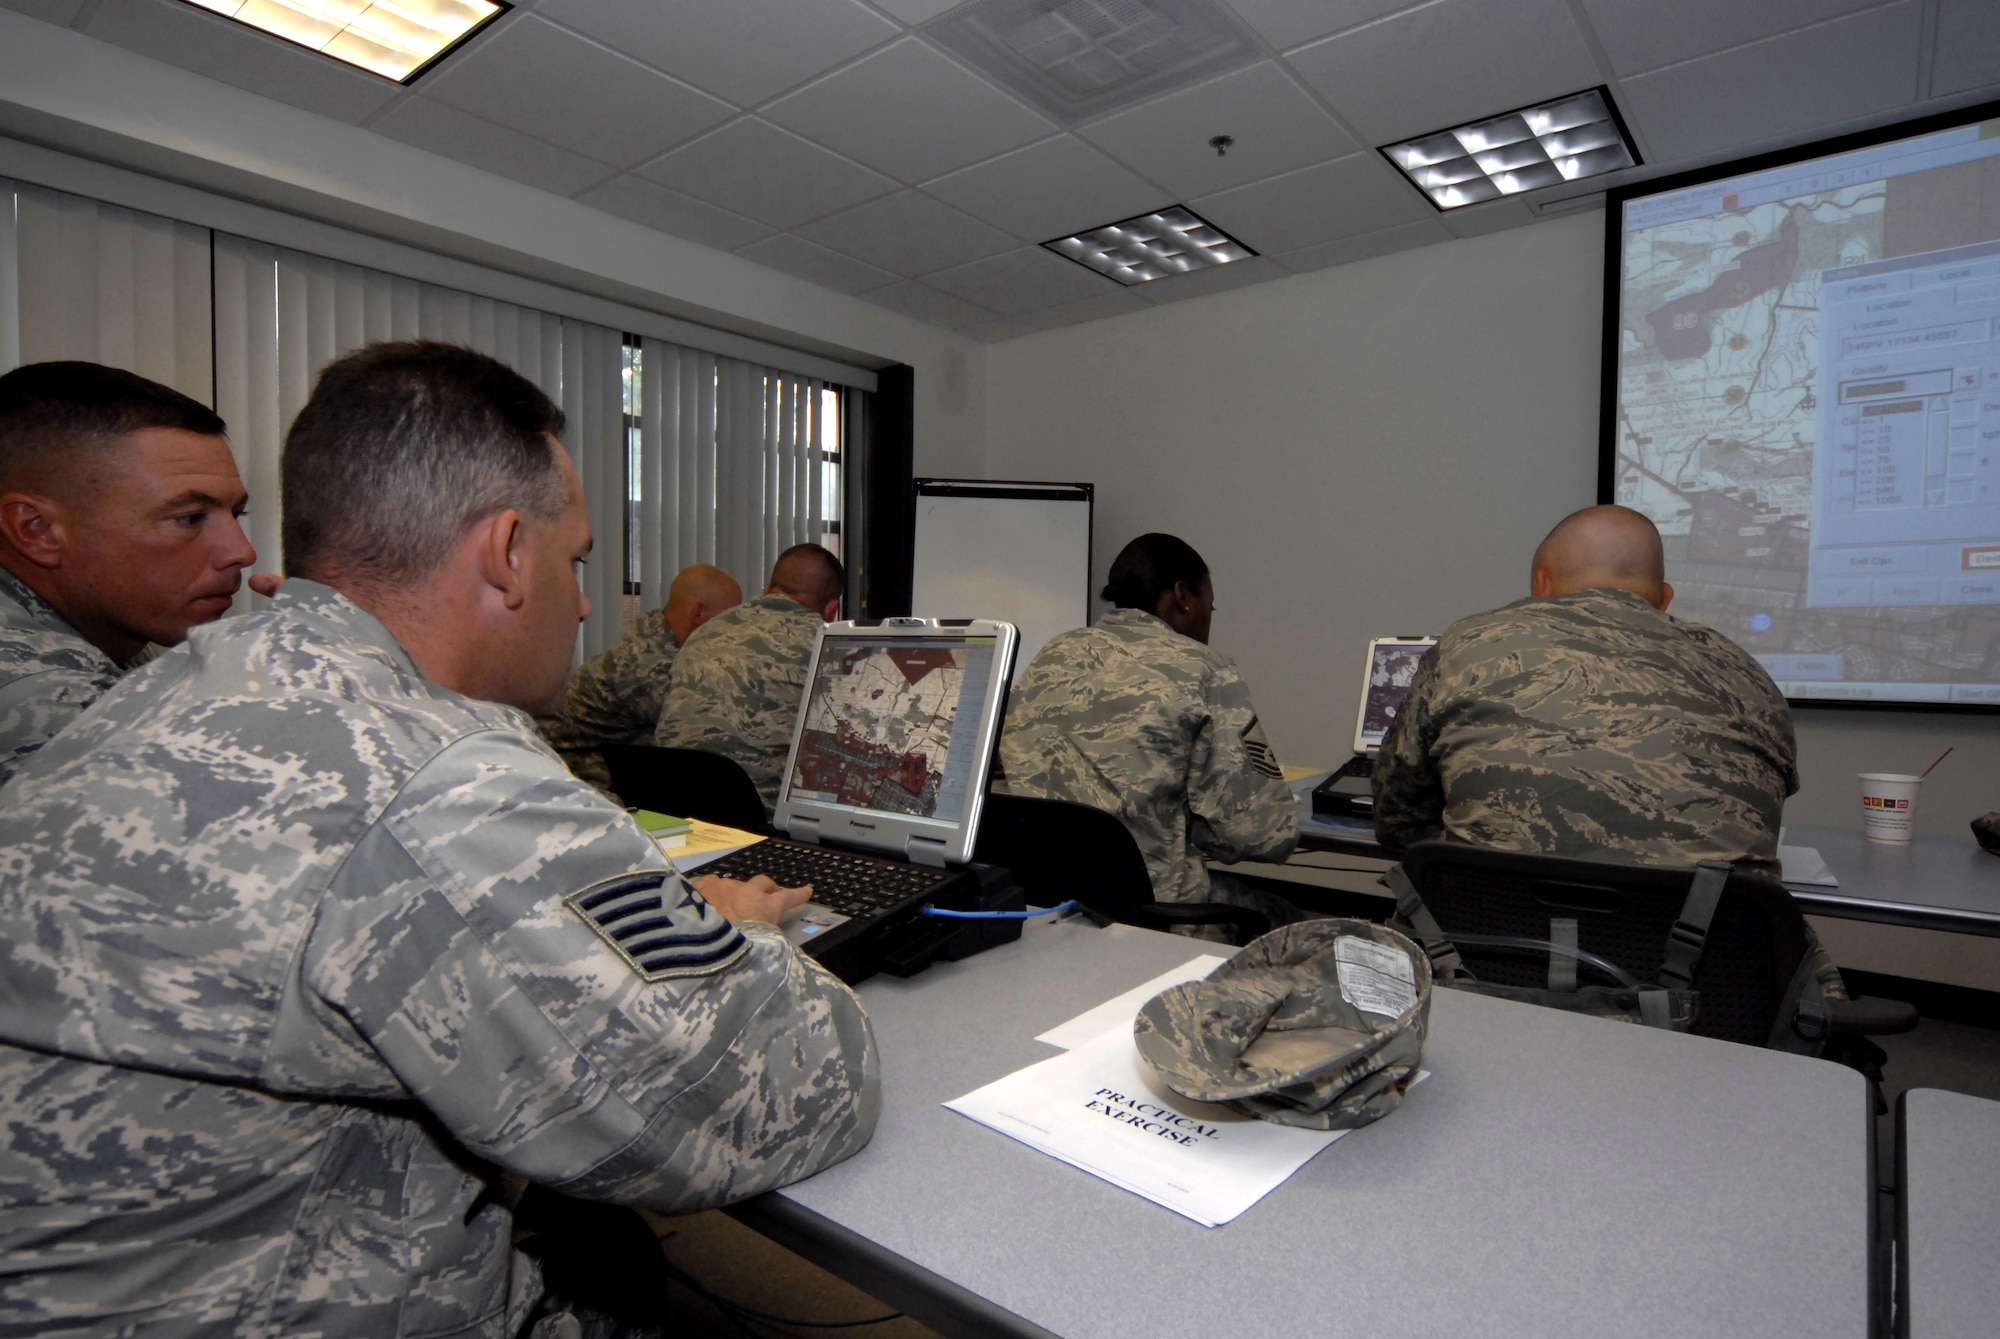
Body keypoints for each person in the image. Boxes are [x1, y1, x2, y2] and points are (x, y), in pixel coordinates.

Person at [0, 342, 877, 1338]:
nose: (584, 602)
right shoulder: (436, 779)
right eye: (575, 560)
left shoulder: (174, 686)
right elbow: (788, 1092)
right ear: (507, 553)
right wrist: (745, 936)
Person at [1371, 503, 1798, 875]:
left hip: (1486, 948)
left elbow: (1399, 816)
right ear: (1664, 598)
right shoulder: (1748, 673)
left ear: (1543, 585)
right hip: (1706, 957)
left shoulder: (1469, 643)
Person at [996, 532, 1300, 924]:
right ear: (1182, 595)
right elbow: (1264, 834)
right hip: (1158, 914)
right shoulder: (1206, 669)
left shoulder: (1054, 653)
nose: (1209, 617)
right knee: (1291, 915)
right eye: (1210, 605)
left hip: (1052, 906)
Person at [0, 360, 256, 783]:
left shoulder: (107, 623)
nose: (242, 552)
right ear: (38, 531)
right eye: (190, 518)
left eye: (236, 513)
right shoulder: (41, 690)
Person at [652, 542, 843, 811]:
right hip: (762, 823)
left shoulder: (705, 630)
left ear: (767, 591)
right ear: (831, 609)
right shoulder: (827, 646)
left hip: (672, 808)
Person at [539, 562, 742, 797]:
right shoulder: (645, 663)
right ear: (697, 614)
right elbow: (706, 728)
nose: (735, 630)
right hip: (581, 780)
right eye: (729, 619)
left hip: (620, 768)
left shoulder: (662, 637)